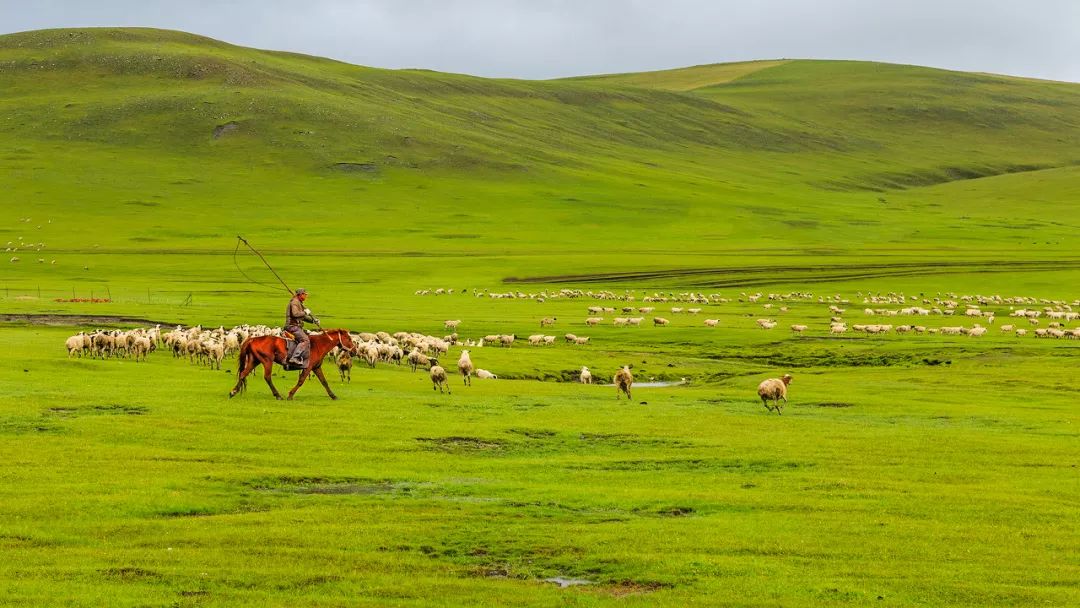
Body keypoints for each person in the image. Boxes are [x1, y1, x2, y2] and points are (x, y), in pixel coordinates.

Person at [284, 288, 319, 367]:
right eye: (304, 294)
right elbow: (295, 314)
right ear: (300, 295)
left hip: (296, 326)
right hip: (292, 326)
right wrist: (305, 312)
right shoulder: (295, 302)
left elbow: (302, 317)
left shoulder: (298, 302)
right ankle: (294, 358)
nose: (306, 296)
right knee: (305, 340)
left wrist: (313, 321)